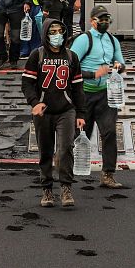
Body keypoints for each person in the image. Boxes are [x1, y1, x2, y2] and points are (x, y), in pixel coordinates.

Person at [22, 19, 86, 208]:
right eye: (53, 31)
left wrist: (81, 113)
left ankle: (66, 187)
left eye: (60, 31)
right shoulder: (37, 55)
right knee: (45, 151)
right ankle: (47, 189)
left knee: (66, 148)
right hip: (43, 112)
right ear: (45, 34)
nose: (57, 35)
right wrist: (35, 102)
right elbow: (27, 83)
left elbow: (78, 88)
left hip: (66, 110)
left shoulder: (71, 56)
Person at [70, 5, 127, 189]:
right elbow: (70, 66)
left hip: (105, 94)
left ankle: (108, 174)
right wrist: (93, 74)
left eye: (106, 19)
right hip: (84, 94)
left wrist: (118, 66)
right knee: (80, 134)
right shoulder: (83, 40)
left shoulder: (112, 40)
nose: (104, 22)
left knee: (109, 132)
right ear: (92, 21)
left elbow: (121, 63)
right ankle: (66, 169)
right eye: (100, 19)